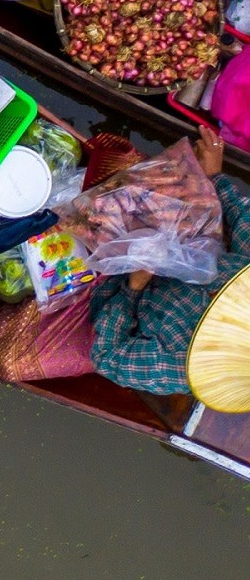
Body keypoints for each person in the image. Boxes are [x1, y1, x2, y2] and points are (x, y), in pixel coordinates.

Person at [90, 127, 250, 396]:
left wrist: (134, 288)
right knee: (135, 173)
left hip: (120, 286)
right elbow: (242, 219)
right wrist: (214, 177)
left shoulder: (182, 365)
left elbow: (107, 356)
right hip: (183, 236)